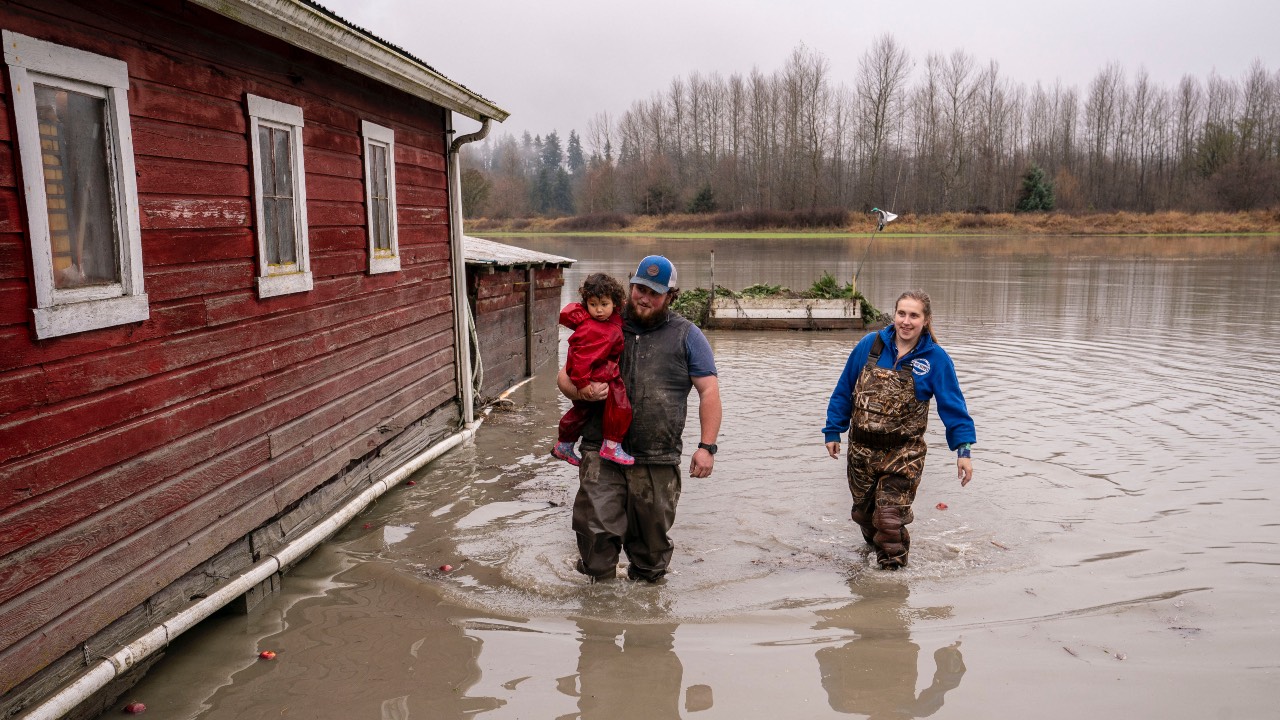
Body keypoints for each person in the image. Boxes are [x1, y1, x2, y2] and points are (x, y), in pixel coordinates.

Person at [558, 255, 722, 583]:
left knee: (651, 555)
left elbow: (709, 393)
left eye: (655, 293)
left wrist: (707, 447)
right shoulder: (603, 320)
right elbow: (564, 377)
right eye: (639, 289)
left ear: (671, 296)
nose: (644, 298)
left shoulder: (688, 336)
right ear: (630, 287)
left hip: (656, 459)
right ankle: (597, 615)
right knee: (595, 541)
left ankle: (647, 619)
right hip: (600, 452)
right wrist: (583, 392)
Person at [823, 290, 975, 569]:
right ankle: (874, 558)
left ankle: (891, 581)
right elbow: (844, 390)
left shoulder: (935, 359)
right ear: (894, 315)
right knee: (864, 516)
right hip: (861, 451)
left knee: (889, 518)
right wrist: (833, 430)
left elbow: (953, 406)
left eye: (914, 315)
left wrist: (963, 450)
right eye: (901, 314)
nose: (906, 321)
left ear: (925, 320)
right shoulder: (870, 346)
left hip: (904, 453)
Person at [552, 273, 634, 467]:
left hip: (593, 374)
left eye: (604, 304)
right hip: (598, 375)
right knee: (620, 406)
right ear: (586, 303)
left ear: (615, 304)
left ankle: (564, 444)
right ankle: (612, 445)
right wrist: (582, 385)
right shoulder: (595, 328)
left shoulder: (608, 323)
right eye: (593, 304)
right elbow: (581, 358)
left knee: (582, 410)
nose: (598, 310)